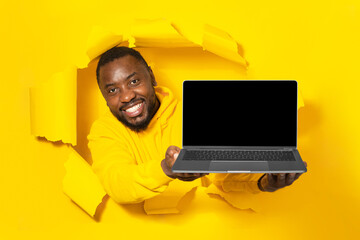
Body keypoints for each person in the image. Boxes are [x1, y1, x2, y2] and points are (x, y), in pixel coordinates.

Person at [88, 47, 307, 204]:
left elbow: (223, 174)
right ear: (104, 97)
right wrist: (167, 169)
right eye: (113, 90)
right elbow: (117, 183)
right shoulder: (104, 131)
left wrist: (264, 182)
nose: (126, 96)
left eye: (134, 81)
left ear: (152, 77)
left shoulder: (191, 113)